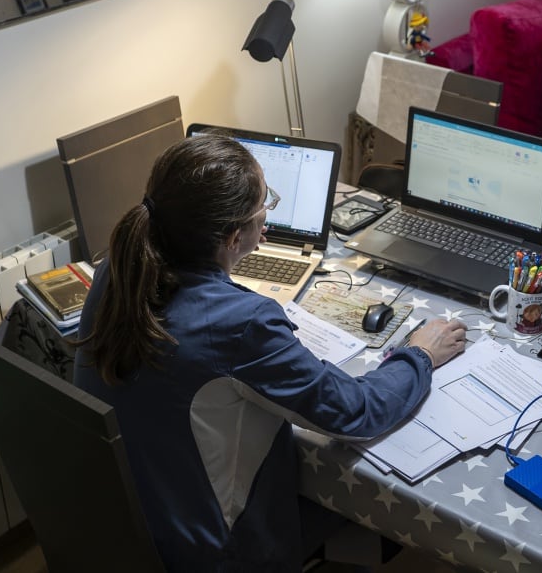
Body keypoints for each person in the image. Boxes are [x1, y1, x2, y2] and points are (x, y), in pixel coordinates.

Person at [74, 134, 466, 572]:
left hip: (138, 530)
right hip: (216, 554)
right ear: (233, 236)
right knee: (362, 506)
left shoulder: (119, 269)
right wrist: (419, 354)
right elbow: (357, 412)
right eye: (266, 206)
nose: (268, 221)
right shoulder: (243, 324)